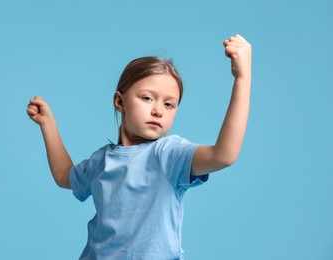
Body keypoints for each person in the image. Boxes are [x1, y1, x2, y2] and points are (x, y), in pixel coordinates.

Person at [26, 34, 252, 259]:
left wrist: (242, 79)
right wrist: (48, 124)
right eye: (147, 98)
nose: (158, 110)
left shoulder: (169, 154)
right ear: (119, 101)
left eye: (169, 104)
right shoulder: (102, 160)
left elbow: (223, 155)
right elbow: (64, 176)